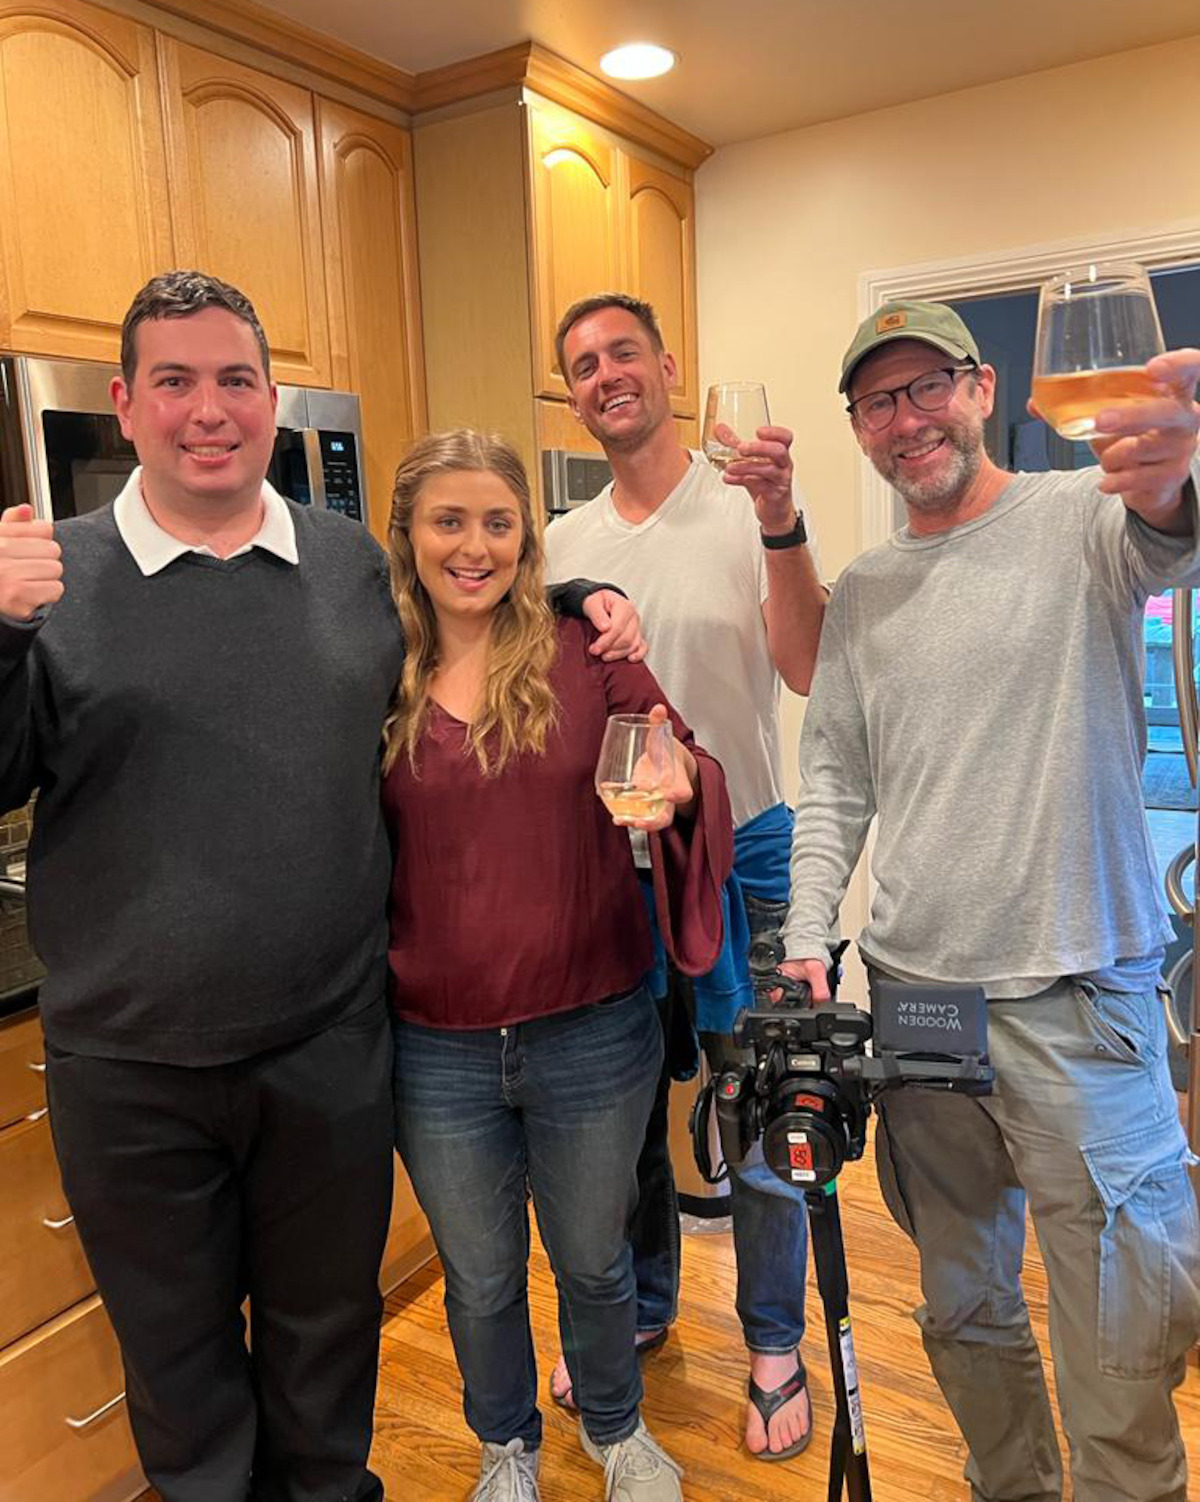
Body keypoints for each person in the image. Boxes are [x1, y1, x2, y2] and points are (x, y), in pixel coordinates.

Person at [0, 270, 647, 1502]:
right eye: (175, 381)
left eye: (236, 379)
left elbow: (470, 602)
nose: (209, 409)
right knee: (183, 1379)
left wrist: (577, 596)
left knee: (325, 1355)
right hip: (131, 1069)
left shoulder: (348, 566)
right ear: (125, 403)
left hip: (329, 1050)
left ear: (271, 398)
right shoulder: (50, 578)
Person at [780, 298, 1200, 1502]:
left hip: (1080, 1001)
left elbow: (1171, 534)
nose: (906, 418)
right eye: (878, 400)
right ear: (858, 425)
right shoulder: (866, 590)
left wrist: (1173, 480)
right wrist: (809, 931)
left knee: (1123, 1334)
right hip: (919, 1006)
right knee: (963, 1305)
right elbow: (835, 779)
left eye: (928, 386)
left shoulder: (1085, 517)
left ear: (982, 390)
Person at [381, 429, 732, 1502]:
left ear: (527, 536)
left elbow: (682, 756)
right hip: (433, 1044)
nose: (474, 546)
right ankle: (506, 1446)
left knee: (593, 1257)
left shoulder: (588, 644)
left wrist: (678, 782)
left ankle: (617, 1428)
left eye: (499, 522)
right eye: (449, 521)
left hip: (592, 1023)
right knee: (480, 1276)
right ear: (407, 535)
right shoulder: (372, 664)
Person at [542, 292, 827, 1461]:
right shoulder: (560, 541)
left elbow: (805, 663)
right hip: (612, 861)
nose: (606, 374)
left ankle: (774, 1342)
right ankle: (645, 1305)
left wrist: (784, 520)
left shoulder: (744, 507)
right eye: (582, 364)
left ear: (667, 367)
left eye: (624, 353)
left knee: (760, 1108)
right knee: (622, 1116)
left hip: (744, 844)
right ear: (571, 394)